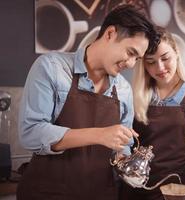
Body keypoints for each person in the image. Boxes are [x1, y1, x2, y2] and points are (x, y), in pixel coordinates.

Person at [17, 5, 158, 200]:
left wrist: (127, 160)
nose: (131, 64)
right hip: (49, 192)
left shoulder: (124, 90)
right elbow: (30, 133)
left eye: (137, 59)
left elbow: (121, 146)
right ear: (110, 33)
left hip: (100, 193)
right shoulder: (52, 68)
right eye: (130, 52)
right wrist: (99, 135)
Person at [120, 27, 185, 200]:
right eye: (150, 62)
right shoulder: (132, 95)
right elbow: (125, 146)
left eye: (165, 58)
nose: (160, 67)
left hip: (176, 192)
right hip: (134, 193)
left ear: (177, 53)